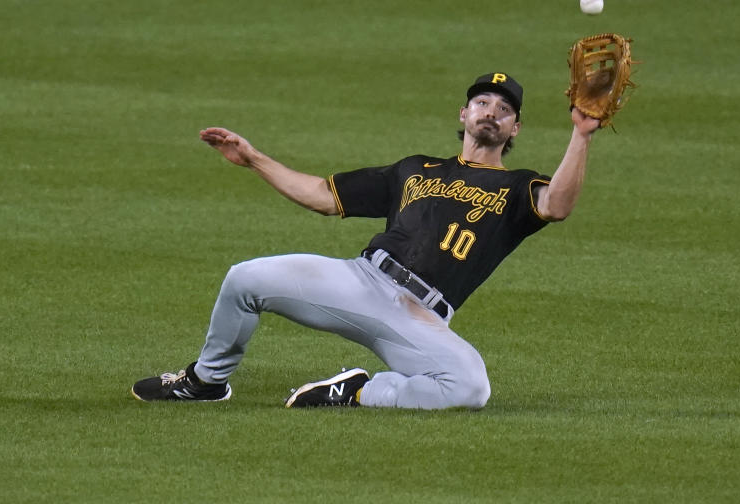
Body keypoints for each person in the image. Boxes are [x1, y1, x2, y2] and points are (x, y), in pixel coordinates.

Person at [131, 72, 601, 409]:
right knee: (244, 279)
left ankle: (356, 391)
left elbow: (557, 204)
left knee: (470, 388)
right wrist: (254, 159)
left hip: (418, 316)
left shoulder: (518, 188)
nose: (491, 113)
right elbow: (322, 195)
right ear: (463, 113)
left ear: (515, 129)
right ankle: (206, 382)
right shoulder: (415, 168)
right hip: (360, 280)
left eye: (504, 110)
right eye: (483, 103)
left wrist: (581, 135)